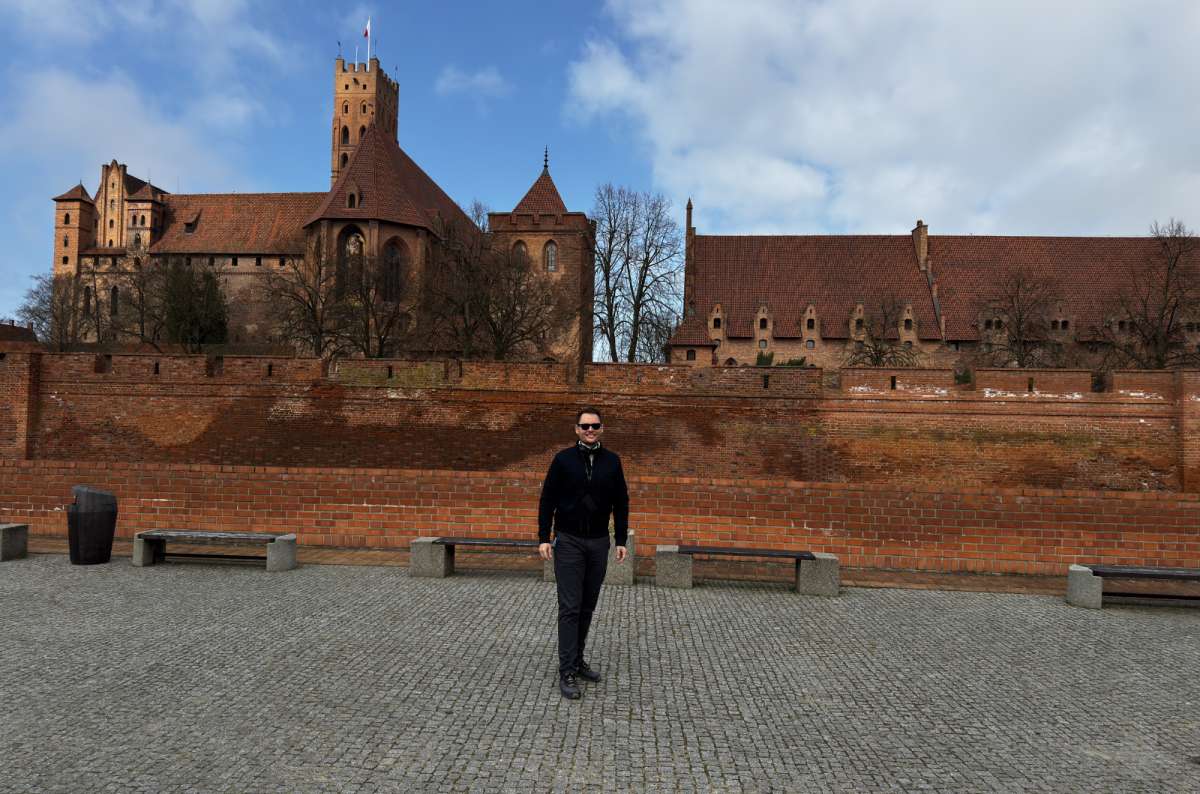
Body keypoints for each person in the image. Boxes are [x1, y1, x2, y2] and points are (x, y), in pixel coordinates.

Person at [538, 407, 629, 700]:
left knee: (588, 606)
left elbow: (621, 502)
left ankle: (577, 660)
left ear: (602, 428)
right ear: (576, 429)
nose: (590, 430)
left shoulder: (612, 461)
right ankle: (566, 670)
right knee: (570, 608)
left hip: (599, 541)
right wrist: (544, 537)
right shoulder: (562, 460)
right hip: (569, 542)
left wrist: (622, 539)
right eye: (585, 426)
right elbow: (547, 498)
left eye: (595, 425)